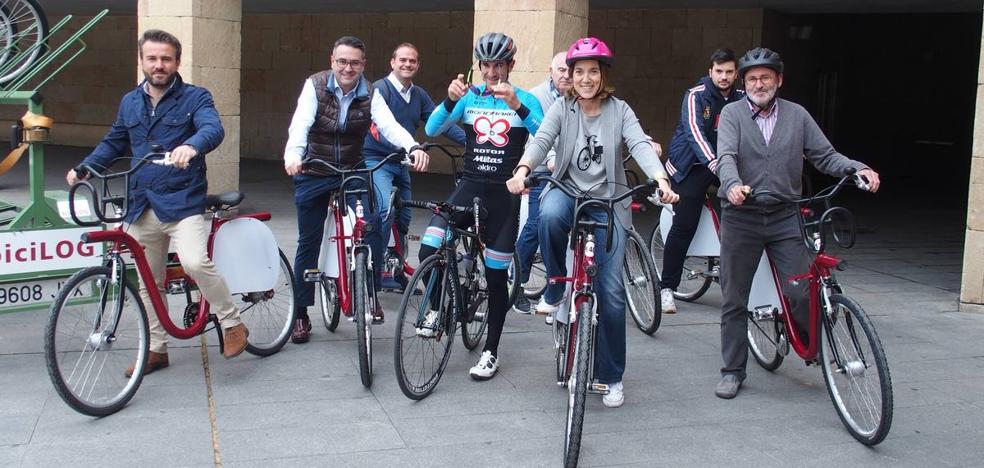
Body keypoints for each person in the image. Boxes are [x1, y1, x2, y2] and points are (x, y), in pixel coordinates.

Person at [506, 37, 679, 408]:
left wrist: (661, 180)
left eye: (593, 71)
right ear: (570, 75)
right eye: (579, 71)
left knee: (612, 292)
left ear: (603, 76)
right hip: (567, 190)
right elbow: (541, 141)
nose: (586, 78)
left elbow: (640, 145)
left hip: (608, 201)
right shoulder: (562, 109)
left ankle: (610, 375)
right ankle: (555, 286)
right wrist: (523, 170)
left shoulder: (620, 110)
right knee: (549, 214)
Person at [65, 29, 248, 376]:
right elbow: (114, 141)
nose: (159, 65)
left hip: (182, 201)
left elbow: (213, 129)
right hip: (141, 202)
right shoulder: (130, 102)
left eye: (166, 58)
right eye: (152, 58)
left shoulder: (196, 97)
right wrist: (85, 168)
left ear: (177, 62)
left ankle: (231, 322)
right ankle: (156, 349)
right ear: (142, 61)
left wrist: (191, 146)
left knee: (194, 261)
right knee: (148, 280)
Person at [712, 47, 881, 399]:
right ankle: (732, 370)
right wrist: (732, 186)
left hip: (785, 215)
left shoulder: (797, 115)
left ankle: (812, 345)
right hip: (742, 217)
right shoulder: (731, 114)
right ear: (744, 83)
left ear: (779, 80)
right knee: (734, 298)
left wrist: (856, 168)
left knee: (800, 288)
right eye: (753, 78)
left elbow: (825, 155)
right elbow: (725, 156)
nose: (760, 84)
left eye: (766, 77)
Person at [284, 36, 429, 344]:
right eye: (342, 61)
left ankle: (371, 291)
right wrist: (293, 155)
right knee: (308, 241)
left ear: (363, 65)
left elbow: (388, 125)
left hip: (352, 170)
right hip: (315, 169)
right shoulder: (316, 86)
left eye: (354, 63)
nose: (348, 68)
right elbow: (301, 123)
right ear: (332, 61)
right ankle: (301, 312)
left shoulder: (370, 92)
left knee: (374, 224)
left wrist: (412, 145)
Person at [423, 32, 544, 380]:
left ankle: (491, 351)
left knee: (494, 279)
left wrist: (516, 106)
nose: (491, 72)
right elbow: (432, 128)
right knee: (429, 246)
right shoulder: (470, 97)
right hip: (469, 186)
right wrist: (448, 101)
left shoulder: (525, 99)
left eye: (498, 65)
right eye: (486, 65)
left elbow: (545, 134)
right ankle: (437, 311)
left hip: (504, 194)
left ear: (510, 66)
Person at [363, 43, 467, 292]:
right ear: (392, 62)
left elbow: (439, 123)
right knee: (385, 211)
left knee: (404, 217)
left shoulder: (418, 94)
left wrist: (472, 142)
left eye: (412, 61)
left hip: (402, 162)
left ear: (418, 65)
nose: (407, 64)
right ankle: (373, 272)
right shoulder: (380, 89)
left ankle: (395, 270)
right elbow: (379, 129)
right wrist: (410, 148)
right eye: (403, 60)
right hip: (377, 160)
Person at [659, 48, 743, 314]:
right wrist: (718, 166)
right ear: (710, 72)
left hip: (721, 164)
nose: (724, 76)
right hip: (690, 166)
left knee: (747, 205)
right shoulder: (696, 95)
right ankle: (666, 288)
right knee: (684, 225)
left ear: (736, 74)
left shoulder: (741, 99)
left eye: (729, 72)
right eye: (719, 71)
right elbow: (695, 134)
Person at [512, 51, 571, 314]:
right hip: (542, 167)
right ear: (550, 70)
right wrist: (549, 159)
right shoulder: (536, 96)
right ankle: (517, 282)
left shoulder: (577, 95)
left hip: (570, 168)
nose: (566, 75)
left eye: (570, 70)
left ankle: (562, 286)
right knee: (538, 223)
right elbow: (539, 133)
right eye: (561, 70)